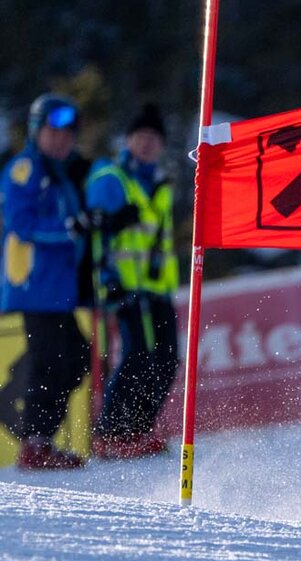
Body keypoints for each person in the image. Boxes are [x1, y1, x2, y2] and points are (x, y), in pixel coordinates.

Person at [1, 94, 91, 469]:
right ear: (35, 132)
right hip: (35, 286)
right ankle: (35, 443)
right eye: (52, 133)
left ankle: (40, 438)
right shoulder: (25, 169)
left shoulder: (61, 173)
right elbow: (21, 223)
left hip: (59, 289)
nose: (60, 140)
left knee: (77, 357)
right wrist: (69, 228)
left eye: (67, 134)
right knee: (50, 360)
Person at [85, 104, 179, 459]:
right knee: (137, 355)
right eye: (141, 137)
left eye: (154, 138)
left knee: (166, 359)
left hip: (157, 286)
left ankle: (138, 429)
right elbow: (97, 232)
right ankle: (112, 431)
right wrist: (107, 278)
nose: (147, 143)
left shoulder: (161, 184)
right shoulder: (113, 178)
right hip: (125, 285)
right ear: (127, 141)